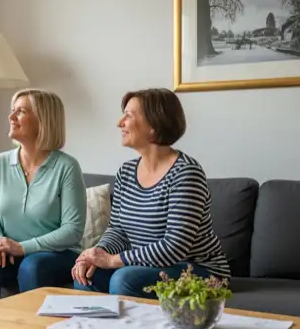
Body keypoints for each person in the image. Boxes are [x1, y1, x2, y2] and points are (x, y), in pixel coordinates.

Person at [72, 88, 230, 298]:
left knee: (124, 279)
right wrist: (96, 254)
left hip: (197, 271)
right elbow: (118, 229)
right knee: (85, 276)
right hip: (143, 266)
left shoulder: (186, 174)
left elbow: (175, 247)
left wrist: (113, 260)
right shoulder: (126, 172)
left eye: (128, 115)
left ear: (153, 126)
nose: (120, 123)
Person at [0, 89, 86, 329]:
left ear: (43, 119)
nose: (11, 116)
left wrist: (22, 247)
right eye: (13, 109)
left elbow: (72, 230)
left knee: (33, 266)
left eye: (21, 110)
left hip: (57, 256)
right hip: (9, 253)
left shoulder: (66, 167)